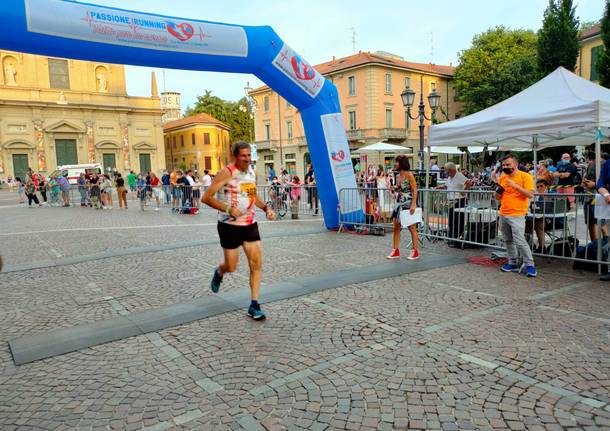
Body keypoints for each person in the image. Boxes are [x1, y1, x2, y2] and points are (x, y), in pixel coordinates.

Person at [203, 141, 276, 321]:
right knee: (232, 266)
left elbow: (253, 195)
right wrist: (228, 209)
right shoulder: (226, 173)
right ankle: (220, 272)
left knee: (256, 263)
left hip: (250, 223)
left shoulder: (252, 172)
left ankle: (254, 304)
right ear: (235, 156)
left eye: (249, 155)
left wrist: (266, 208)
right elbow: (206, 198)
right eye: (243, 156)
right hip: (229, 226)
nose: (247, 159)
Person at [496, 154, 536, 277]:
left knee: (520, 240)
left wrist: (515, 186)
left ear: (516, 164)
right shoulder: (502, 178)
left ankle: (530, 265)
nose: (505, 167)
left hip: (517, 213)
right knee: (508, 240)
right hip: (504, 212)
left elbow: (530, 194)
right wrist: (497, 191)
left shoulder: (526, 176)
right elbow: (498, 197)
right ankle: (512, 262)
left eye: (508, 164)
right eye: (503, 165)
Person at [386, 155, 419, 260]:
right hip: (399, 203)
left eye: (396, 162)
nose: (394, 164)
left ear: (402, 163)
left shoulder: (409, 175)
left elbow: (414, 189)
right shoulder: (398, 175)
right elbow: (401, 189)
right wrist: (394, 188)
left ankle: (415, 251)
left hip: (408, 203)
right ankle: (395, 250)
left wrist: (413, 204)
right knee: (396, 226)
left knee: (412, 227)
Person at [437, 162, 472, 244]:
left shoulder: (459, 176)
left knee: (458, 220)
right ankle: (452, 237)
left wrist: (464, 191)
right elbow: (446, 186)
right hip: (451, 201)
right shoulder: (450, 177)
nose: (446, 172)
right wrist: (438, 187)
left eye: (447, 171)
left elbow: (469, 183)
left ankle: (456, 238)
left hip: (459, 200)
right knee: (451, 220)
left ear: (452, 170)